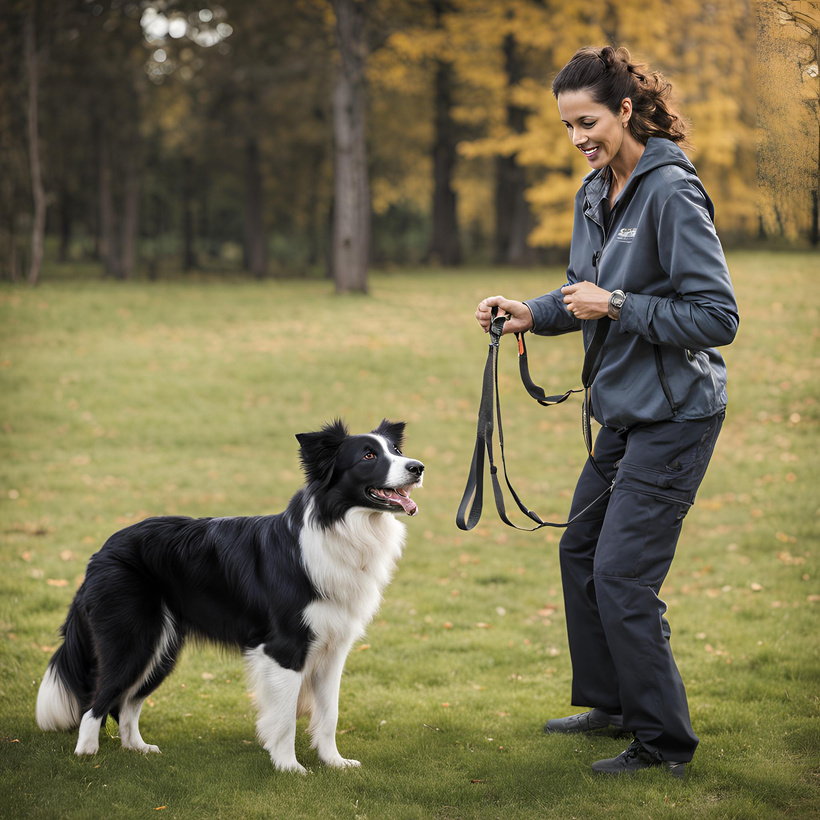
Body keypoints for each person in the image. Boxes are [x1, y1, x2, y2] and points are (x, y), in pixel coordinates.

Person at [475, 45, 738, 779]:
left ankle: (663, 745)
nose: (578, 137)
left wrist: (619, 305)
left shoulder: (671, 192)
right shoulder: (595, 193)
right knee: (580, 550)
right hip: (624, 412)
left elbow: (717, 316)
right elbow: (578, 292)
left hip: (678, 416)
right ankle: (611, 702)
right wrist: (531, 311)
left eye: (587, 121)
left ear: (625, 110)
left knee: (623, 576)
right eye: (566, 125)